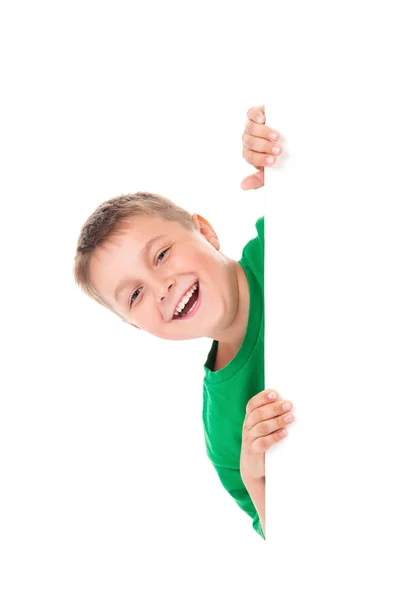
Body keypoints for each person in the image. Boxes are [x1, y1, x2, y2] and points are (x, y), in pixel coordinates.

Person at [73, 105, 295, 540]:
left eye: (160, 255)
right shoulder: (225, 427)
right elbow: (293, 550)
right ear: (136, 325)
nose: (161, 287)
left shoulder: (285, 238)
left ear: (206, 232)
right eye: (134, 295)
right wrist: (258, 479)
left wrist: (289, 163)